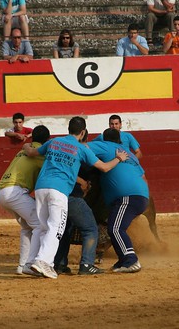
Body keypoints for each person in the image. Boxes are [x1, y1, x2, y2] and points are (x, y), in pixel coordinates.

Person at [22, 116, 129, 279]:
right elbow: (105, 168)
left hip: (41, 187)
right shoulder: (81, 149)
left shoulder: (54, 142)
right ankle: (43, 261)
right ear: (83, 132)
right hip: (59, 190)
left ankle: (30, 263)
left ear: (68, 129)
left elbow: (30, 152)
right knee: (56, 228)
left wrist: (25, 144)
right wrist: (119, 158)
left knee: (43, 227)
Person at [88, 128, 149, 273]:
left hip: (127, 196)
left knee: (115, 229)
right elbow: (144, 178)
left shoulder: (105, 145)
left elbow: (81, 148)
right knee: (116, 227)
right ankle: (123, 260)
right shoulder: (131, 156)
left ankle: (131, 260)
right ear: (120, 141)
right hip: (141, 196)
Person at [0, 125, 50, 276]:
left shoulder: (23, 149)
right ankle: (30, 263)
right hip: (14, 192)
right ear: (47, 140)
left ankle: (22, 265)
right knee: (40, 225)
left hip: (0, 191)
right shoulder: (40, 154)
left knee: (28, 227)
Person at [53, 130, 105, 276]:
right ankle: (87, 264)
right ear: (83, 136)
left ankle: (59, 264)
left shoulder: (60, 149)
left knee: (65, 230)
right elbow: (102, 169)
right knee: (90, 229)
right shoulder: (85, 152)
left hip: (58, 194)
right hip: (74, 196)